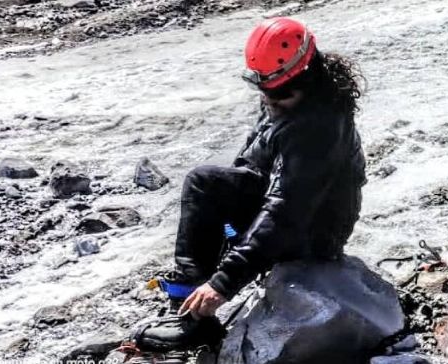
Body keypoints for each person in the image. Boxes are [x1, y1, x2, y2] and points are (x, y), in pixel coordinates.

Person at [131, 17, 367, 351]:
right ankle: (186, 304)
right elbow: (251, 166)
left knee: (203, 182)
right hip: (290, 210)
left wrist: (223, 283)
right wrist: (227, 235)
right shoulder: (290, 98)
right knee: (209, 187)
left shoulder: (320, 127)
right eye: (265, 92)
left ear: (306, 77)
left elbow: (286, 210)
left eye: (280, 95)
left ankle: (193, 319)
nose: (270, 101)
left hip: (315, 232)